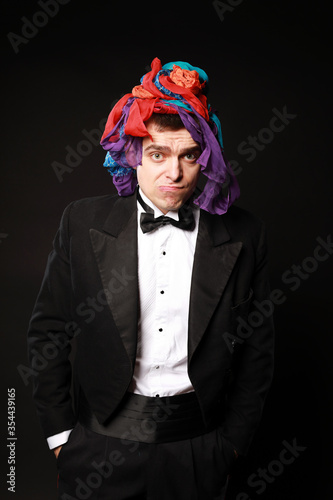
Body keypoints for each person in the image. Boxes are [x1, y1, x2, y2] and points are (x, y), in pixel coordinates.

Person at [28, 57, 274, 500]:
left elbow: (259, 351)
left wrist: (233, 445)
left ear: (207, 158)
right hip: (97, 446)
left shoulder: (246, 233)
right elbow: (47, 333)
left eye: (189, 156)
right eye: (158, 154)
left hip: (200, 451)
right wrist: (61, 437)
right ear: (133, 153)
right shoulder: (81, 222)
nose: (173, 173)